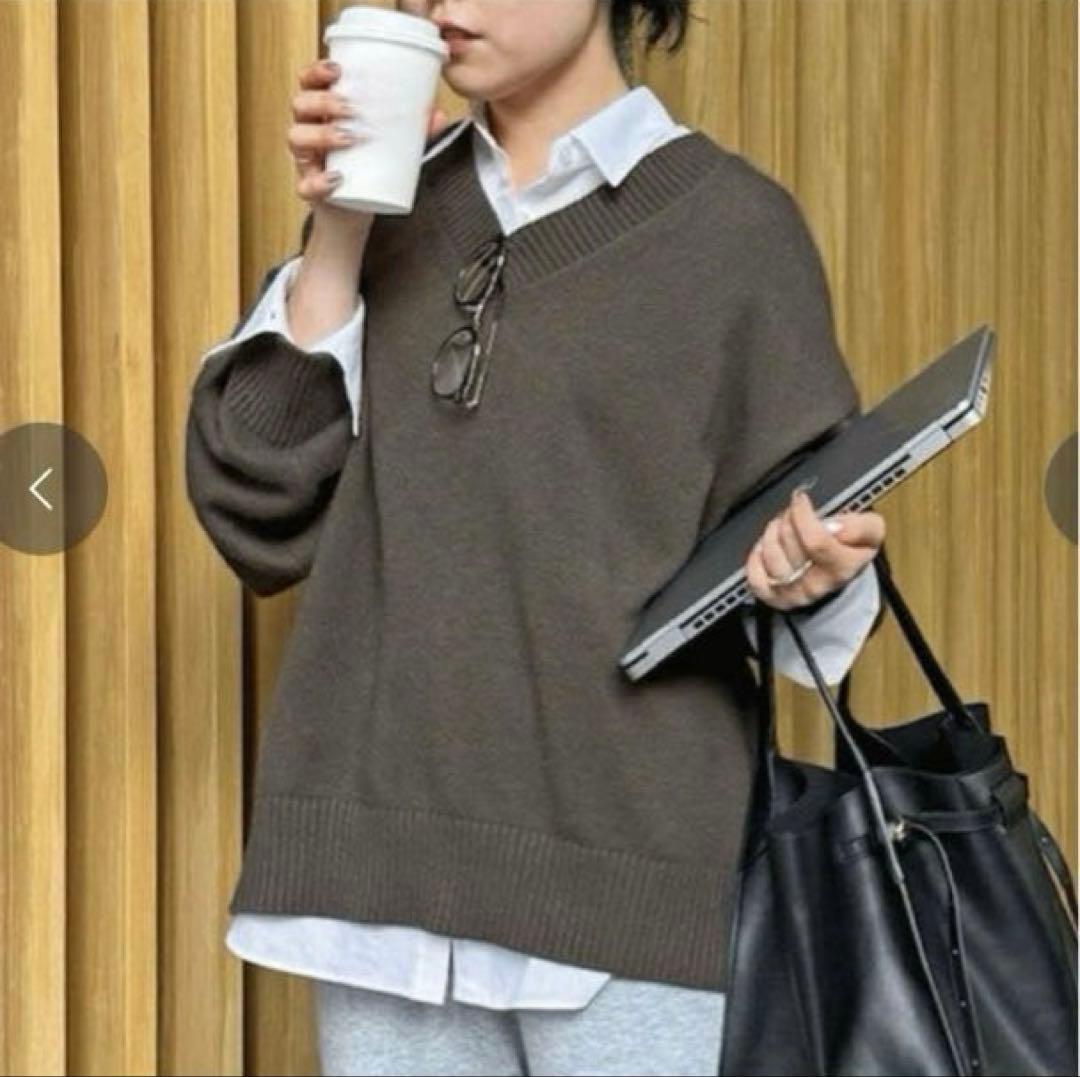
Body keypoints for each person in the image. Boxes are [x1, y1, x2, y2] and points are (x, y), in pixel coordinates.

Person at [185, 2, 887, 1074]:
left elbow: (808, 568)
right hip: (380, 879)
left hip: (628, 881)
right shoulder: (393, 206)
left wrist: (812, 575)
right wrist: (339, 230)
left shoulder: (733, 234)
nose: (447, 7)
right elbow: (258, 507)